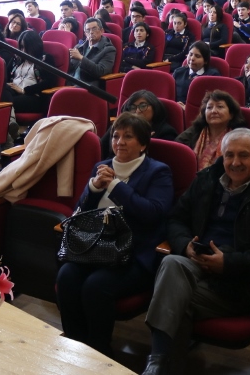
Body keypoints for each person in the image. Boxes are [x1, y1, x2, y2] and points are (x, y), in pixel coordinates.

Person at [140, 129, 250, 375]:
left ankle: (158, 366)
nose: (235, 163)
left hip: (239, 284)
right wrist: (185, 246)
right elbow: (176, 219)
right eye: (229, 155)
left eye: (243, 156)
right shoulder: (207, 179)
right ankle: (159, 362)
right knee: (172, 262)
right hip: (195, 265)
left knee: (175, 302)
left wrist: (229, 263)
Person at [57, 112, 173, 354]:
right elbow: (81, 211)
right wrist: (94, 187)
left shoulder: (158, 171)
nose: (119, 142)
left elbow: (153, 213)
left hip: (132, 254)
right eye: (116, 136)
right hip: (94, 247)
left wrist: (115, 186)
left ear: (143, 144)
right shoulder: (103, 167)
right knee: (66, 276)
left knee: (95, 286)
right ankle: (75, 346)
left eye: (128, 137)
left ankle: (98, 351)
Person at [175, 89, 245, 170]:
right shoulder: (195, 130)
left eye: (220, 106)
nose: (214, 111)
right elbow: (177, 152)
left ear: (231, 114)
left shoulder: (238, 137)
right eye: (209, 107)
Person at [100, 91, 180, 159]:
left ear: (155, 107)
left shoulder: (166, 132)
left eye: (143, 106)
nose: (137, 111)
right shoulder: (118, 128)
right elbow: (100, 150)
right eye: (133, 107)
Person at [6, 30, 56, 115]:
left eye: (27, 47)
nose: (24, 50)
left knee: (7, 102)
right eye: (21, 47)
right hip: (14, 92)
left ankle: (10, 119)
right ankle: (11, 119)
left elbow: (49, 82)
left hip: (34, 96)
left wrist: (24, 90)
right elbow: (6, 75)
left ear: (34, 46)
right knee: (1, 94)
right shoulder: (16, 58)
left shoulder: (46, 58)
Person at [69, 18, 115, 88]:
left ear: (101, 31)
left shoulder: (109, 49)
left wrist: (81, 58)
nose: (91, 32)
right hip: (70, 83)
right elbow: (70, 67)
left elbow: (100, 71)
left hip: (89, 86)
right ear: (85, 34)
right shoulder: (79, 47)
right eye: (88, 30)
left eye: (94, 29)